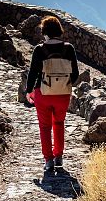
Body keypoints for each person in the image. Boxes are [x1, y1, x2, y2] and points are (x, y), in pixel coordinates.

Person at [24, 16, 79, 174]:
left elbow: (33, 73)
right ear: (59, 30)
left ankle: (48, 161)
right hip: (63, 94)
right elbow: (75, 74)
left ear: (44, 31)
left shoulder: (39, 49)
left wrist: (29, 91)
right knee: (59, 124)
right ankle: (59, 157)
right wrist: (64, 84)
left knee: (45, 127)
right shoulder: (69, 48)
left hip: (43, 93)